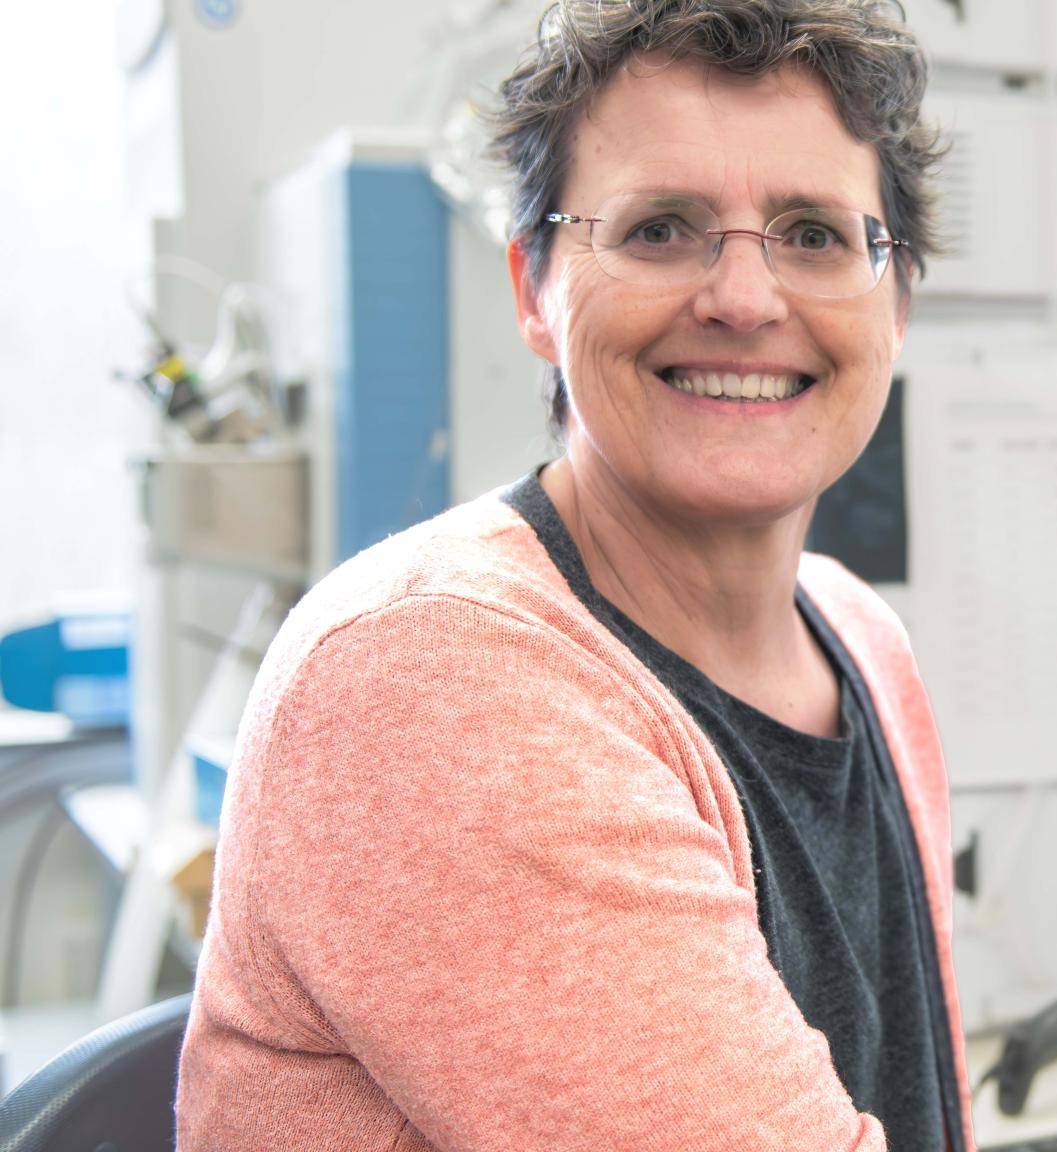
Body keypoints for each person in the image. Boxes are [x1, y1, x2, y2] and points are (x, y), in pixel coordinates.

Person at [175, 2, 967, 1148]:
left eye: (812, 233)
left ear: (895, 302)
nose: (744, 299)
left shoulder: (857, 638)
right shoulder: (431, 679)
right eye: (660, 229)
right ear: (531, 289)